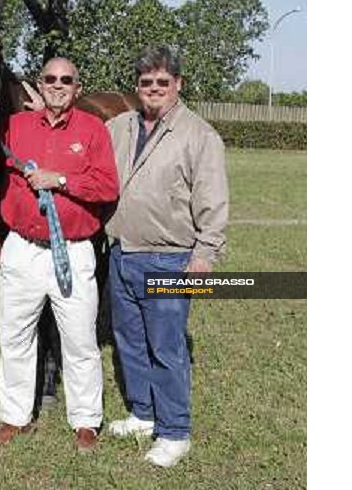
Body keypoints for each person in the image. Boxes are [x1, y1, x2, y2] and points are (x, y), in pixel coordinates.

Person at [0, 57, 119, 452]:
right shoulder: (15, 126)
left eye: (67, 80)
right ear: (39, 86)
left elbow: (107, 188)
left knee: (80, 341)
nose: (58, 85)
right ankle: (15, 416)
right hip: (22, 251)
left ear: (78, 88)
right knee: (15, 337)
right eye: (50, 79)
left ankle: (85, 421)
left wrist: (59, 179)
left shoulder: (93, 130)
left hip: (74, 252)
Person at [105, 45, 229, 467]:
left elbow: (213, 201)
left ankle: (175, 431)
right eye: (146, 82)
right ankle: (142, 413)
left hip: (171, 260)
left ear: (178, 84)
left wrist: (205, 256)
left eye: (162, 82)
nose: (153, 89)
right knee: (130, 342)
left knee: (167, 347)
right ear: (137, 86)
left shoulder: (199, 135)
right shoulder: (119, 126)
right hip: (122, 254)